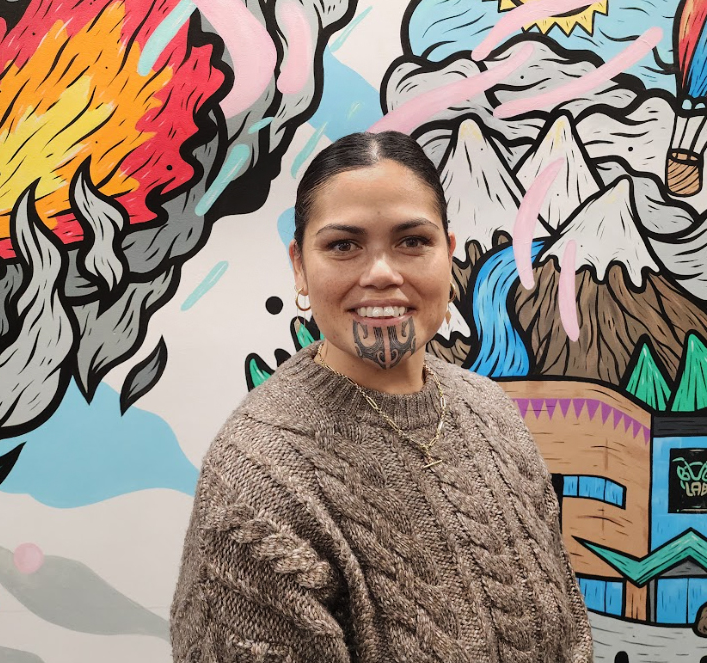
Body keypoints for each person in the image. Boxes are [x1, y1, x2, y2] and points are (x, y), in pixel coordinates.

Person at [170, 131, 593, 662]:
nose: (382, 274)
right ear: (300, 266)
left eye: (412, 241)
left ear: (449, 254)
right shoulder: (257, 484)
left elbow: (569, 635)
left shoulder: (494, 415)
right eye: (343, 245)